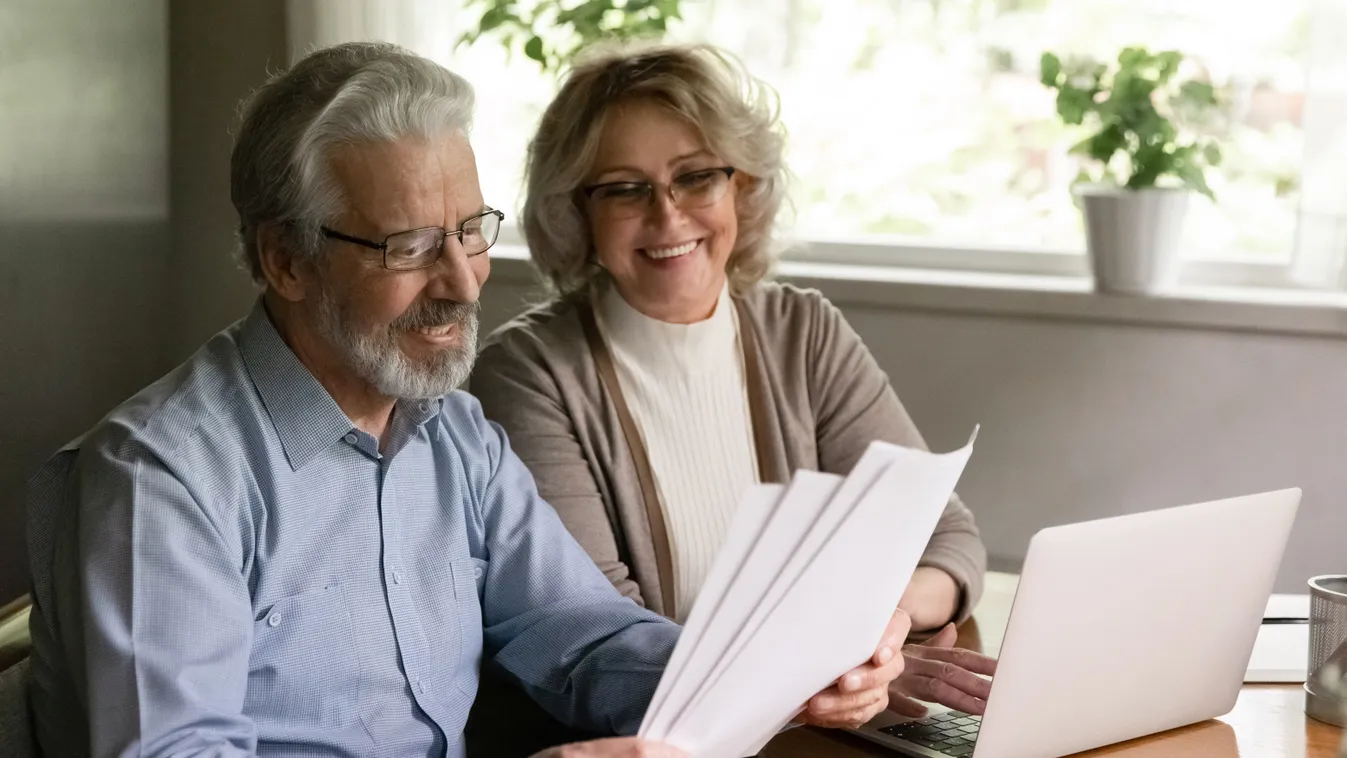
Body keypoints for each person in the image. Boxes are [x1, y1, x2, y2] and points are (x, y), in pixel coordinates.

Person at [23, 42, 906, 758]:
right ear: (286, 260)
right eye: (409, 247)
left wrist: (775, 673)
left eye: (471, 231)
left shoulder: (453, 433)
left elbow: (581, 634)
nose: (462, 282)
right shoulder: (161, 479)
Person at [471, 42, 996, 720]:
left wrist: (877, 635)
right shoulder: (528, 373)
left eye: (696, 177)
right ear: (577, 212)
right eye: (625, 188)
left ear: (741, 188)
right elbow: (600, 639)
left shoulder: (803, 332)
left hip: (822, 718)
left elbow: (946, 538)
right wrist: (810, 668)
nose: (667, 216)